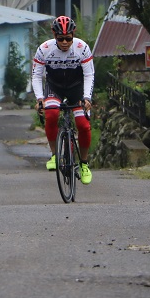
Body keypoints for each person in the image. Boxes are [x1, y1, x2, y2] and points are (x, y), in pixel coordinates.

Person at [31, 15, 95, 185]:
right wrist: (39, 99)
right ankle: (54, 155)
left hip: (77, 88)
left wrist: (87, 97)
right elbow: (37, 76)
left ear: (73, 35)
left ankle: (83, 164)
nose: (65, 42)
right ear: (54, 35)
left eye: (68, 38)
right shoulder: (44, 49)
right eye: (61, 39)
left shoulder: (82, 48)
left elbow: (89, 74)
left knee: (83, 125)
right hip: (55, 87)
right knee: (51, 115)